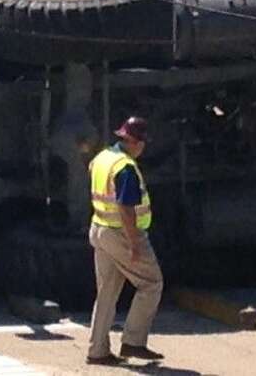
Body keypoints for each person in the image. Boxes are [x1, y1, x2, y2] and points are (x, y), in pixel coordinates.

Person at [86, 116, 165, 365]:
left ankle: (97, 351)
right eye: (142, 143)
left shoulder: (102, 158)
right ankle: (133, 341)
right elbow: (125, 208)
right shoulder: (125, 167)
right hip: (121, 233)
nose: (143, 148)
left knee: (107, 292)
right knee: (151, 283)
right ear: (135, 142)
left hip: (99, 228)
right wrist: (134, 244)